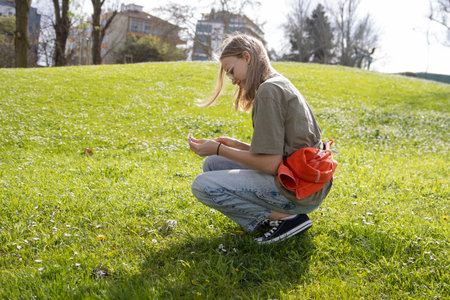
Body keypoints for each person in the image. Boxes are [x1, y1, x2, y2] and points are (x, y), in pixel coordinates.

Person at [188, 34, 333, 245]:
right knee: (213, 164)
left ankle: (286, 218)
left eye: (231, 71)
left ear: (246, 57)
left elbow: (271, 164)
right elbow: (284, 154)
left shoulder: (269, 91)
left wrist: (219, 149)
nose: (233, 80)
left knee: (202, 185)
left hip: (298, 190)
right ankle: (277, 214)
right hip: (307, 183)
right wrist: (236, 145)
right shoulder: (278, 83)